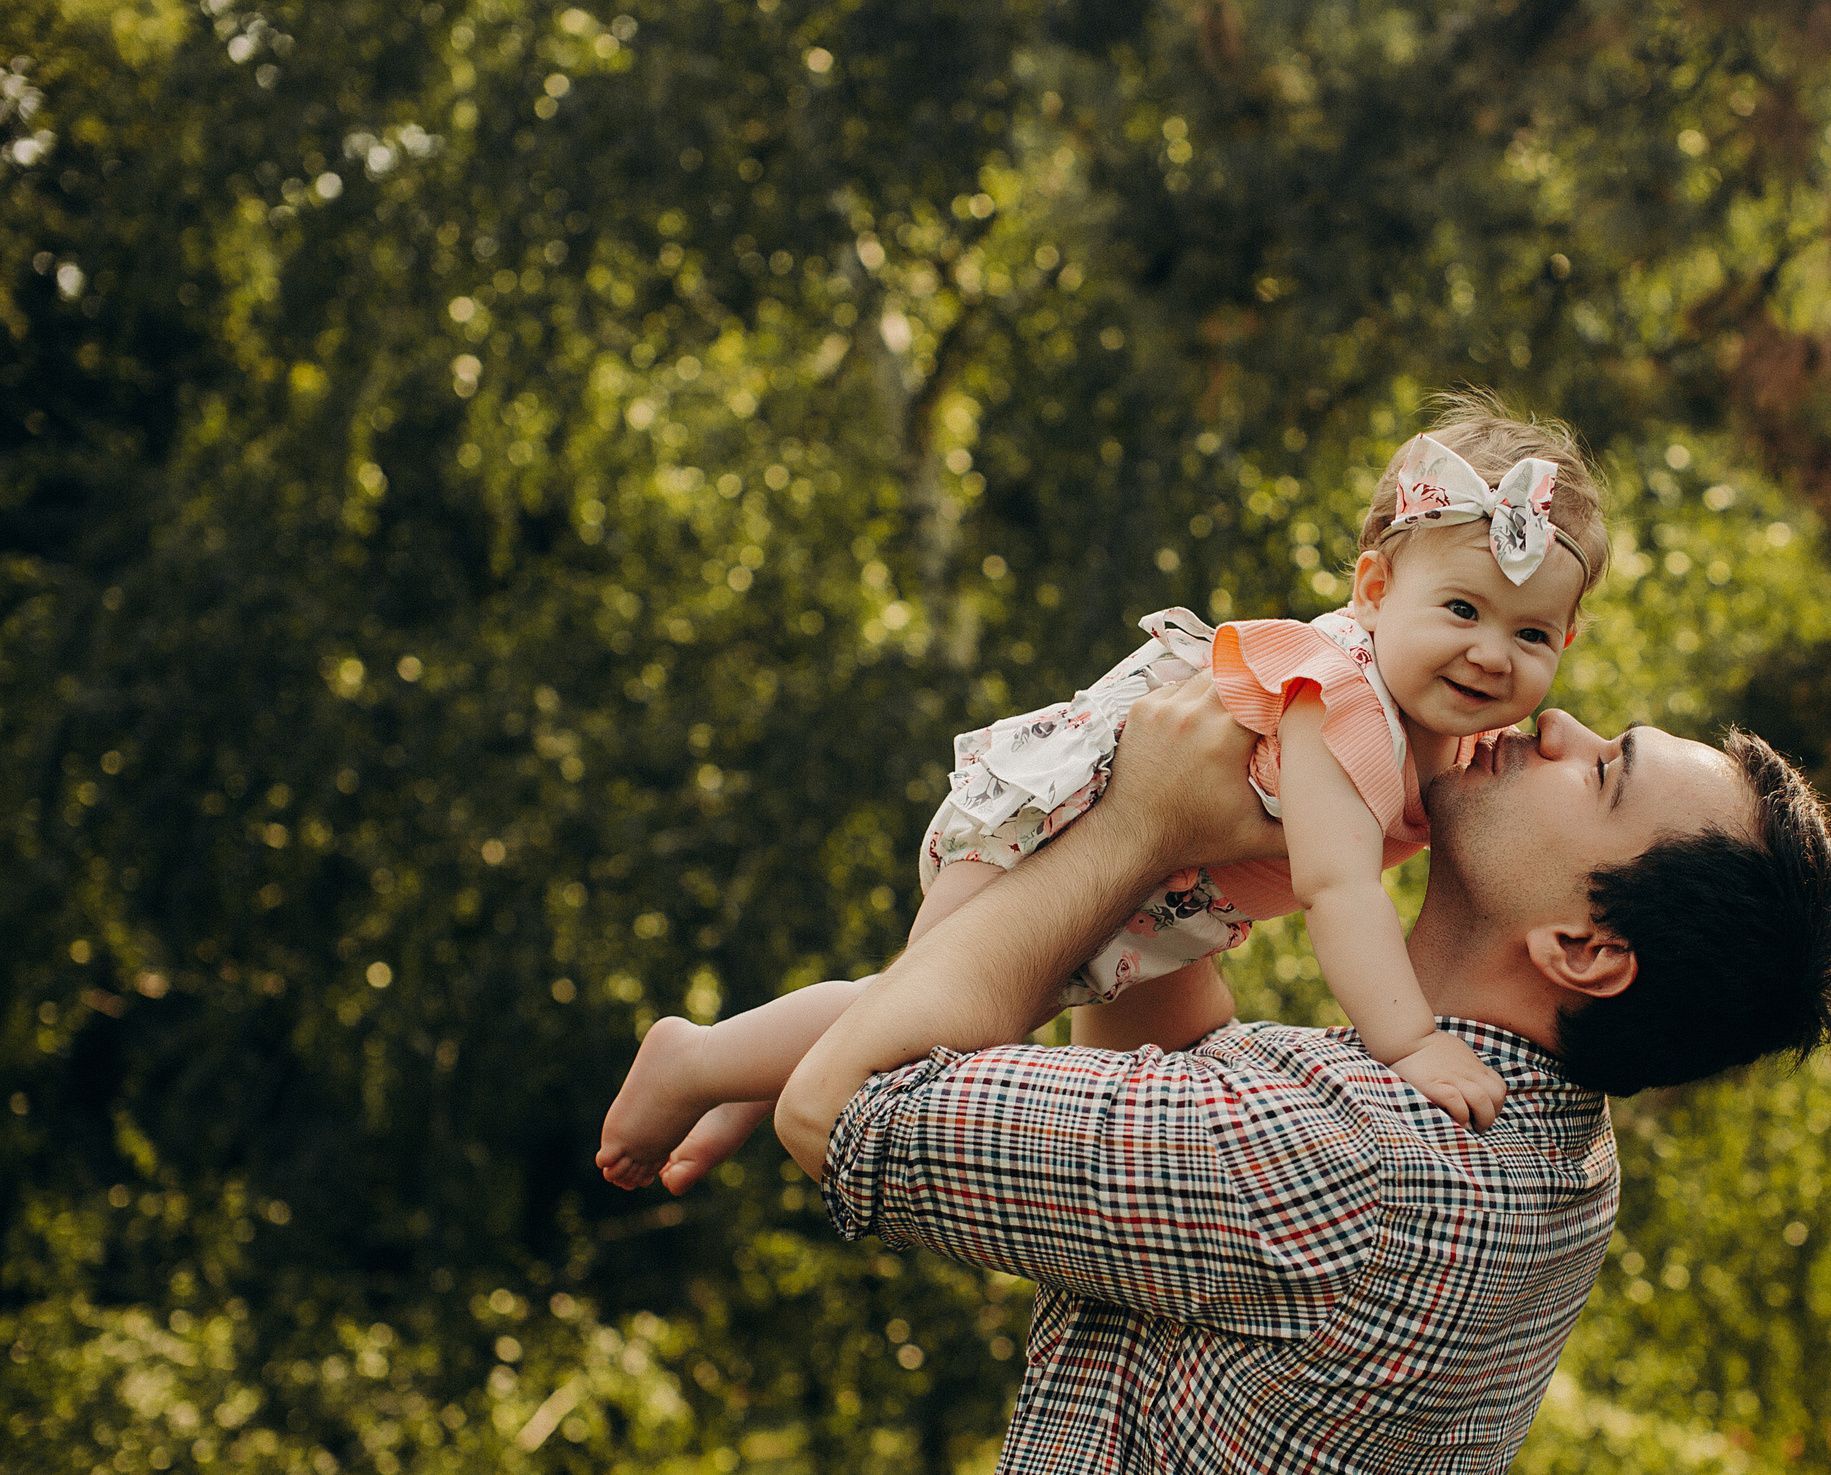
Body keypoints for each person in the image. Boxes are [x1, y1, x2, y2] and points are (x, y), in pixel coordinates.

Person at [752, 668, 1831, 1475]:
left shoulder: (1360, 1157)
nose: (1556, 725)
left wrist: (1142, 819)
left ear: (1582, 946)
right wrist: (1186, 850)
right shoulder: (1545, 1147)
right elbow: (1173, 1095)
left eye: (1603, 770)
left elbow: (846, 1109)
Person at [596, 399, 1610, 1194]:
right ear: (1376, 593)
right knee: (927, 1021)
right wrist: (1410, 1044)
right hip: (1063, 828)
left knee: (1108, 1071)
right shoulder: (1340, 703)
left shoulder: (1460, 722)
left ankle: (740, 1075)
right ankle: (697, 1060)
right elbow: (1340, 889)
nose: (1489, 653)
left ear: (1564, 643)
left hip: (1158, 899)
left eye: (1527, 635)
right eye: (1462, 610)